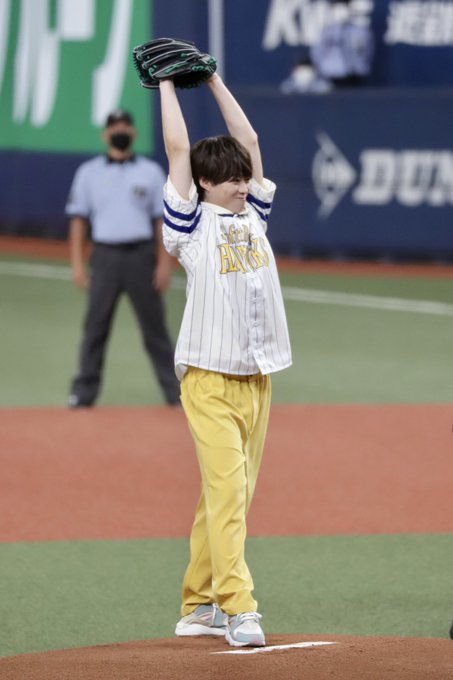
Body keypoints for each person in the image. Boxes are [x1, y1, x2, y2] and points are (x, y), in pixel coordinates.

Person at [158, 73, 292, 647]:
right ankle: (239, 609)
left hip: (258, 379)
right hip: (209, 378)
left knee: (227, 494)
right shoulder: (191, 225)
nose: (243, 184)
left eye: (244, 176)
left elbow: (251, 140)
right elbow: (178, 150)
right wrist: (166, 86)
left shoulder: (253, 215)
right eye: (232, 178)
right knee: (230, 494)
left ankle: (198, 605)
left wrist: (213, 79)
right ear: (205, 183)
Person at [66, 109, 180, 408]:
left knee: (155, 329)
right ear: (105, 134)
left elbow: (161, 222)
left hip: (141, 257)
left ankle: (176, 393)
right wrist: (78, 265)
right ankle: (83, 393)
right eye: (114, 127)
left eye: (125, 127)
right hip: (104, 256)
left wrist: (164, 263)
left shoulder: (150, 172)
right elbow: (79, 221)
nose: (120, 131)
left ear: (134, 133)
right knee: (95, 328)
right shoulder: (88, 173)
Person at [310, 0, 374, 88]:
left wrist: (360, 65)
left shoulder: (361, 31)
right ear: (333, 10)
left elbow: (368, 52)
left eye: (345, 8)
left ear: (351, 9)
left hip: (355, 74)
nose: (342, 11)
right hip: (331, 73)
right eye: (338, 8)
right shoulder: (326, 31)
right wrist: (324, 67)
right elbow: (318, 53)